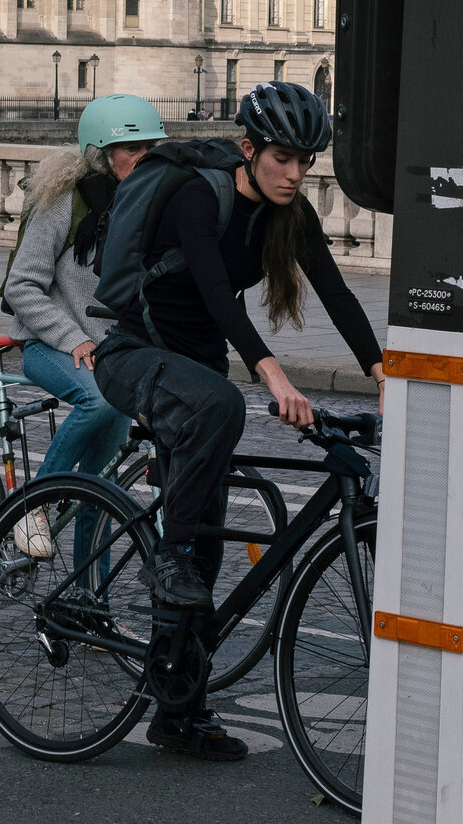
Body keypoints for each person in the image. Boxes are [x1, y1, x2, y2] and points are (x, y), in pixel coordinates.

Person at [93, 82, 386, 762]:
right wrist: (271, 372)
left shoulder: (289, 213)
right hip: (136, 355)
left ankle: (178, 714)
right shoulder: (200, 196)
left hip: (194, 367)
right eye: (283, 157)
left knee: (209, 548)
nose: (295, 173)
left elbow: (336, 291)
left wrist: (382, 372)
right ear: (249, 148)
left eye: (306, 161)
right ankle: (167, 558)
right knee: (221, 412)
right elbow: (215, 295)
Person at [3, 96, 163, 559]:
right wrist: (74, 337)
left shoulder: (142, 207)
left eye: (149, 147)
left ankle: (90, 608)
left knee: (100, 493)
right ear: (100, 152)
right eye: (130, 148)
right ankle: (32, 505)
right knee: (97, 397)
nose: (142, 158)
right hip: (48, 344)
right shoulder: (64, 203)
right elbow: (22, 286)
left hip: (108, 355)